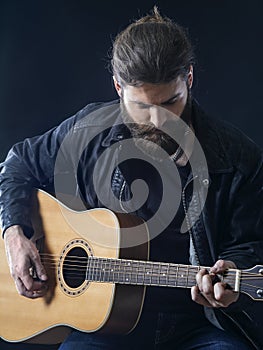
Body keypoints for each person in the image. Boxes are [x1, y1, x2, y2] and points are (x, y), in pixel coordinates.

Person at [0, 6, 263, 350]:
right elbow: (17, 165)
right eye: (141, 106)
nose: (157, 120)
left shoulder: (237, 156)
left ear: (190, 79)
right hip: (101, 328)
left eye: (171, 102)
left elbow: (251, 242)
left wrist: (233, 271)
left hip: (196, 328)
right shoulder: (87, 130)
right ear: (117, 86)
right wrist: (14, 233)